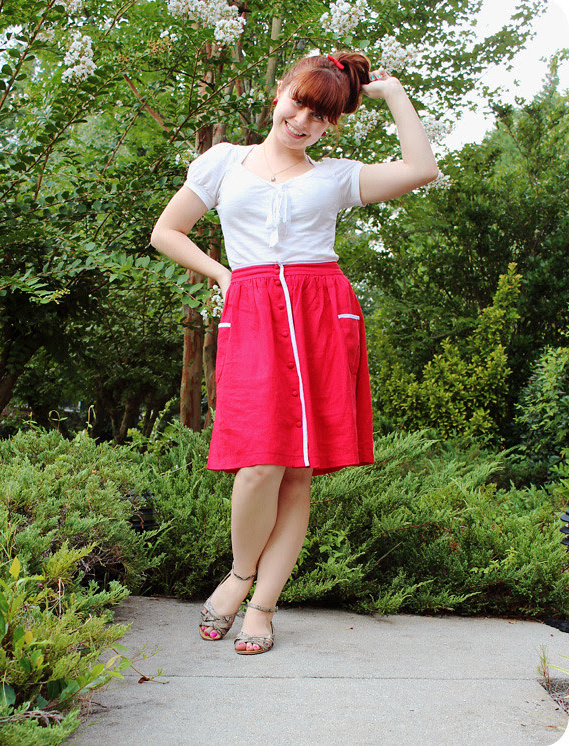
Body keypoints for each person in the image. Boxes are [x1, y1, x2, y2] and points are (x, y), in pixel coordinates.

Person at [150, 51, 438, 655]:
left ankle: (262, 607)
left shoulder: (335, 177)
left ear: (332, 125)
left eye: (321, 116)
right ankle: (240, 574)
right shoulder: (223, 163)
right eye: (299, 103)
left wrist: (394, 94)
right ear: (280, 93)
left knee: (298, 472)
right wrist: (222, 275)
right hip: (253, 309)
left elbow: (421, 169)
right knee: (258, 463)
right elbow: (166, 231)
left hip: (321, 315)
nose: (303, 121)